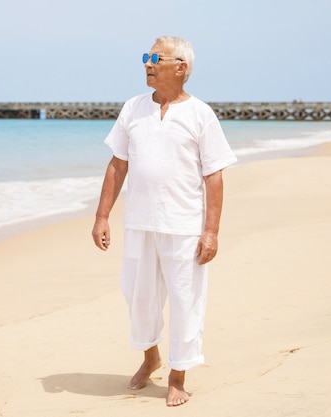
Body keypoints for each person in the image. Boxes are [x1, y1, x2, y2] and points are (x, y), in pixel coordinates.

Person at [91, 36, 237, 407]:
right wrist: (102, 215)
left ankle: (177, 375)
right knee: (138, 297)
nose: (147, 64)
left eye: (156, 58)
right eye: (146, 57)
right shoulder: (133, 108)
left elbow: (214, 175)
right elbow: (118, 164)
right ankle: (150, 357)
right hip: (139, 222)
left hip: (184, 225)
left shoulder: (201, 114)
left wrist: (211, 231)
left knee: (186, 301)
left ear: (181, 67)